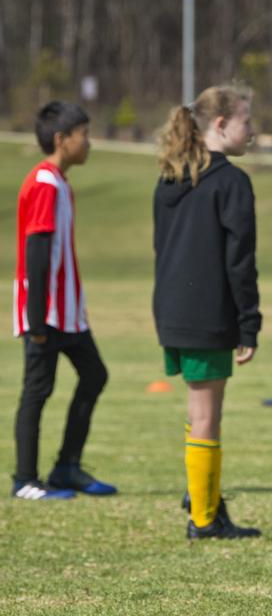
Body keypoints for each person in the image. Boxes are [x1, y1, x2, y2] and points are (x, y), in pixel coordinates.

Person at [153, 83, 262, 540]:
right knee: (206, 415)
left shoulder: (170, 178)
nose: (252, 132)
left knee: (201, 410)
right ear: (220, 125)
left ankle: (205, 501)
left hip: (173, 312)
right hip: (207, 313)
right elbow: (240, 262)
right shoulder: (232, 181)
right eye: (246, 121)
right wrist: (249, 324)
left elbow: (161, 249)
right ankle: (203, 520)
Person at [11, 101, 115, 500]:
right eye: (84, 135)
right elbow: (36, 254)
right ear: (61, 139)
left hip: (68, 313)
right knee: (37, 390)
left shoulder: (60, 182)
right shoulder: (43, 183)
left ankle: (67, 467)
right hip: (46, 313)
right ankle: (25, 480)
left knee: (95, 375)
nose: (89, 143)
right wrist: (36, 322)